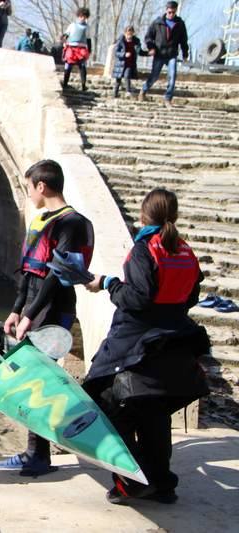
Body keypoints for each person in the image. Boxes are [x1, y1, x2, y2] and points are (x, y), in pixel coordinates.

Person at [82, 188, 209, 505]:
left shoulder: (144, 250)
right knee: (154, 412)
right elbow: (191, 296)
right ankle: (163, 485)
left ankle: (134, 480)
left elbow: (137, 298)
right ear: (174, 215)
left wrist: (109, 284)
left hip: (136, 344)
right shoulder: (184, 251)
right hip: (176, 342)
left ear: (143, 215)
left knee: (103, 404)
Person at [0, 159, 94, 476]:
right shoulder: (41, 220)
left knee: (40, 381)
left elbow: (56, 274)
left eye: (29, 187)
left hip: (54, 310)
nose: (29, 193)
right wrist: (16, 309)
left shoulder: (72, 223)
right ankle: (34, 453)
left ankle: (38, 456)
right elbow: (29, 270)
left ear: (42, 186)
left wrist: (31, 314)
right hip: (33, 309)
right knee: (31, 380)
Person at [140, 1, 189, 107]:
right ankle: (144, 90)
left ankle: (168, 98)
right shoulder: (157, 23)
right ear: (166, 10)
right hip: (159, 54)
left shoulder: (180, 24)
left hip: (172, 54)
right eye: (170, 12)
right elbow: (148, 37)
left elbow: (183, 40)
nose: (171, 14)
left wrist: (185, 54)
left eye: (173, 12)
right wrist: (151, 48)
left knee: (172, 75)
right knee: (154, 76)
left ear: (176, 11)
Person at [112, 26, 147, 98]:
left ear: (133, 34)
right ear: (125, 34)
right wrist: (124, 54)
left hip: (130, 64)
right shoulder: (120, 41)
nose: (129, 36)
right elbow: (116, 52)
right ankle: (115, 94)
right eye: (128, 34)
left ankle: (128, 91)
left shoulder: (136, 42)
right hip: (120, 63)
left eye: (130, 34)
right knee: (118, 80)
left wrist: (148, 53)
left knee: (127, 75)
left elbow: (139, 51)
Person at [62, 8, 91, 92]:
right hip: (71, 47)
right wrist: (64, 42)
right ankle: (65, 83)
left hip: (81, 48)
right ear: (78, 16)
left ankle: (83, 85)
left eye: (84, 17)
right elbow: (66, 34)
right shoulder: (72, 25)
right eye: (81, 16)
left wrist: (89, 50)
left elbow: (89, 39)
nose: (82, 18)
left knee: (82, 66)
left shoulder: (87, 27)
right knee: (68, 66)